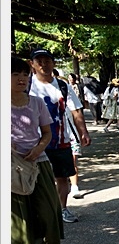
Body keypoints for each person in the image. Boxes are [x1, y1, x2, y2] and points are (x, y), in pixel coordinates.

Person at [11, 56, 63, 244]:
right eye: (15, 74)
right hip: (12, 164)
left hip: (38, 160)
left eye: (25, 74)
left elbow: (47, 132)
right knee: (17, 213)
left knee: (48, 208)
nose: (22, 79)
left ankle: (35, 243)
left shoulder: (36, 102)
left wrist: (38, 148)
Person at [28, 48, 92, 224]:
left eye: (47, 60)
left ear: (53, 63)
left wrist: (83, 132)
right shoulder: (27, 85)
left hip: (60, 140)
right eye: (39, 60)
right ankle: (37, 212)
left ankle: (61, 209)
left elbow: (76, 110)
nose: (43, 64)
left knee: (62, 177)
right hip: (33, 141)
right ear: (32, 64)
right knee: (34, 177)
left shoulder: (63, 86)